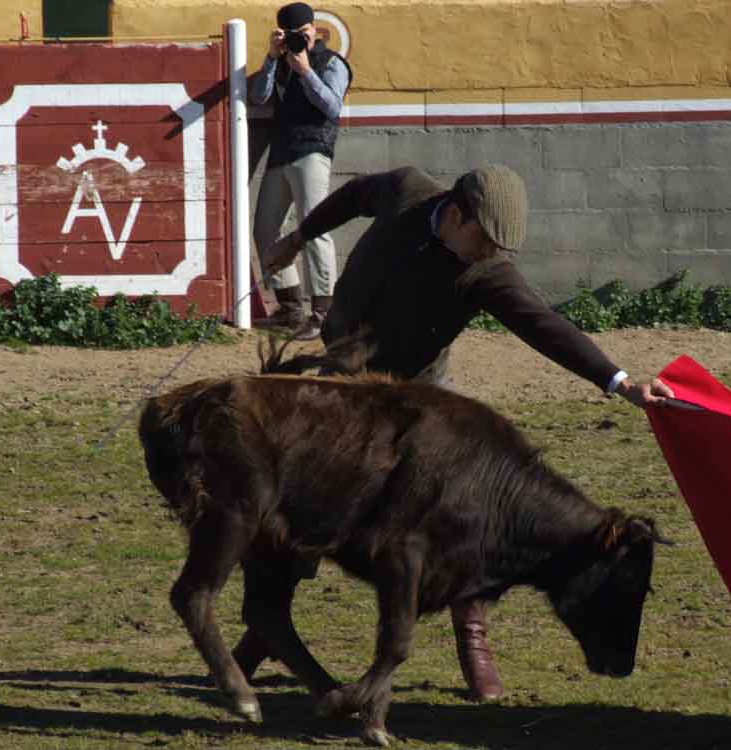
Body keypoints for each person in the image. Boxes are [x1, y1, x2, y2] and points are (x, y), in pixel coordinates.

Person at [261, 164, 676, 701]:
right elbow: (353, 196)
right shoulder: (406, 191)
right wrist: (297, 238)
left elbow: (545, 326)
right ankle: (264, 631)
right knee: (314, 499)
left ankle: (473, 638)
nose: (489, 253)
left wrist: (620, 384)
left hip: (420, 394)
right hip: (345, 385)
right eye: (484, 239)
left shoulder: (487, 274)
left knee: (459, 511)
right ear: (455, 214)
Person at [249, 1, 352, 339]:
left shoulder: (331, 62)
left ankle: (323, 313)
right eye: (292, 34)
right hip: (281, 153)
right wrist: (270, 57)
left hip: (313, 152)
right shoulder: (279, 61)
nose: (299, 38)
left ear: (314, 30)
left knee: (315, 228)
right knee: (265, 229)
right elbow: (259, 97)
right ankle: (291, 307)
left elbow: (332, 107)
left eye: (303, 32)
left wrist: (306, 70)